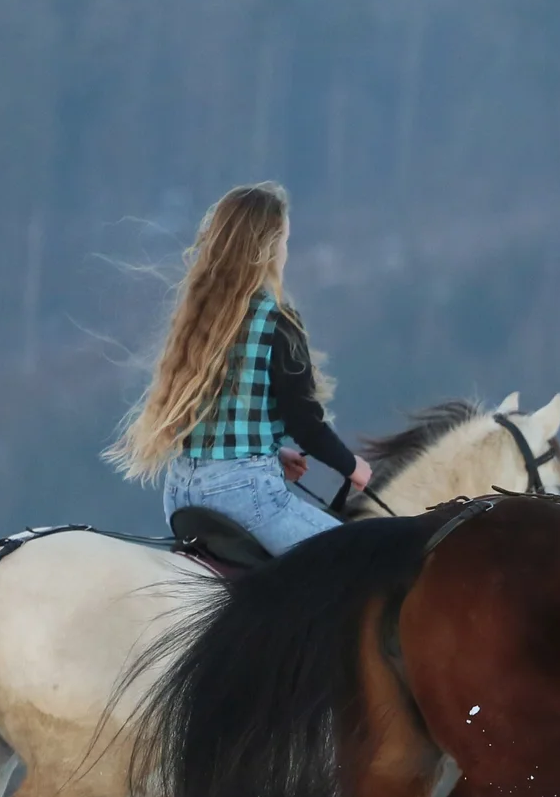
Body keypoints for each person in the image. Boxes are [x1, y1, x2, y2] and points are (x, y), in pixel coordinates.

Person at [106, 182, 371, 554]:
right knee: (356, 558)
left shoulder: (201, 317)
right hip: (245, 498)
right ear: (267, 248)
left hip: (182, 495)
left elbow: (218, 414)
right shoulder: (277, 319)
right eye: (285, 241)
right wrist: (352, 466)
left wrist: (273, 453)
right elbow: (304, 423)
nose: (285, 252)